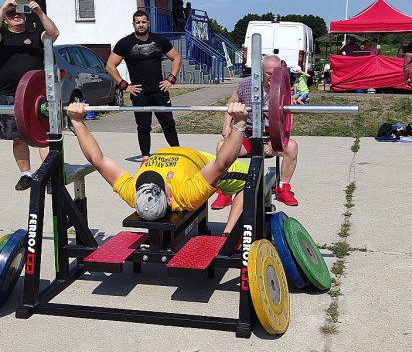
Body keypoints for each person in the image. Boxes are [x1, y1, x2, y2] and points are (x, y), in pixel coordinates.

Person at [67, 101, 249, 234]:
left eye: (144, 183)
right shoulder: (187, 195)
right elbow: (222, 163)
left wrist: (77, 122)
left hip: (180, 155)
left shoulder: (135, 192)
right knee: (251, 180)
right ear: (170, 200)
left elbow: (98, 160)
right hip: (201, 161)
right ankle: (229, 234)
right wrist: (239, 123)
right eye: (158, 185)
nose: (151, 176)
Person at [211, 55, 299, 209]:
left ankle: (283, 188)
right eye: (269, 73)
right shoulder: (246, 84)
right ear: (260, 71)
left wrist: (274, 142)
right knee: (221, 147)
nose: (273, 77)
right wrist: (226, 127)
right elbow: (231, 104)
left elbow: (286, 121)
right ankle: (225, 192)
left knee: (292, 147)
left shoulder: (283, 88)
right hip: (248, 135)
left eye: (277, 73)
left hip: (272, 137)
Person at [0, 0, 59, 191]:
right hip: (10, 96)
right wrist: (2, 8)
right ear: (6, 19)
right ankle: (26, 175)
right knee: (18, 138)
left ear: (25, 15)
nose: (15, 15)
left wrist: (39, 12)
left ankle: (48, 175)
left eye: (18, 12)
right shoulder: (3, 36)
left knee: (42, 137)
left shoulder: (36, 34)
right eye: (11, 13)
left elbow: (54, 34)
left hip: (35, 96)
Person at [106, 10, 182, 162]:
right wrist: (124, 86)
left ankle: (178, 154)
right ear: (133, 24)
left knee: (168, 124)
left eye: (143, 22)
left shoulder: (159, 40)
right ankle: (145, 157)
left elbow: (177, 58)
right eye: (138, 22)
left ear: (148, 23)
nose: (141, 25)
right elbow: (110, 65)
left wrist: (170, 79)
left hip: (159, 91)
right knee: (143, 126)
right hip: (139, 93)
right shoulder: (125, 43)